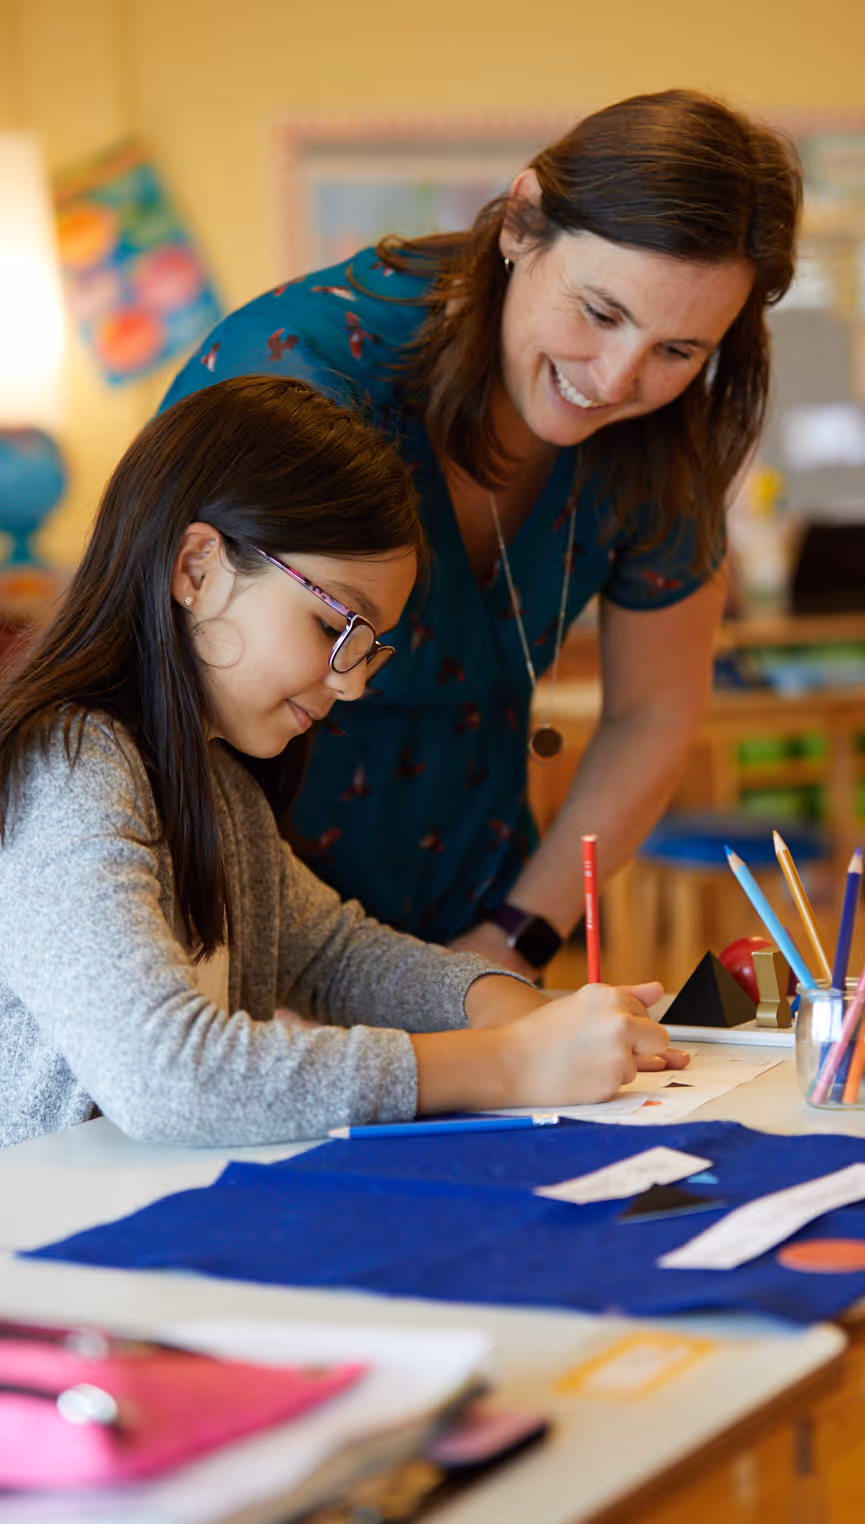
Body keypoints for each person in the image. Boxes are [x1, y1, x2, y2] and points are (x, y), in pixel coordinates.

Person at [163, 89, 802, 980]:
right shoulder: (303, 371)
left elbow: (655, 710)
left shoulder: (665, 438)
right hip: (240, 925)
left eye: (679, 350)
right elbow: (168, 694)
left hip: (478, 916)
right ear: (524, 220)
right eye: (601, 312)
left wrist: (517, 934)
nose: (617, 379)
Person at [0, 377, 687, 1150]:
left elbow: (333, 955)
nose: (353, 682)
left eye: (369, 646)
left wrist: (511, 1005)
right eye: (333, 623)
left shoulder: (214, 779)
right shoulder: (70, 767)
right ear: (196, 569)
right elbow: (168, 1074)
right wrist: (504, 1062)